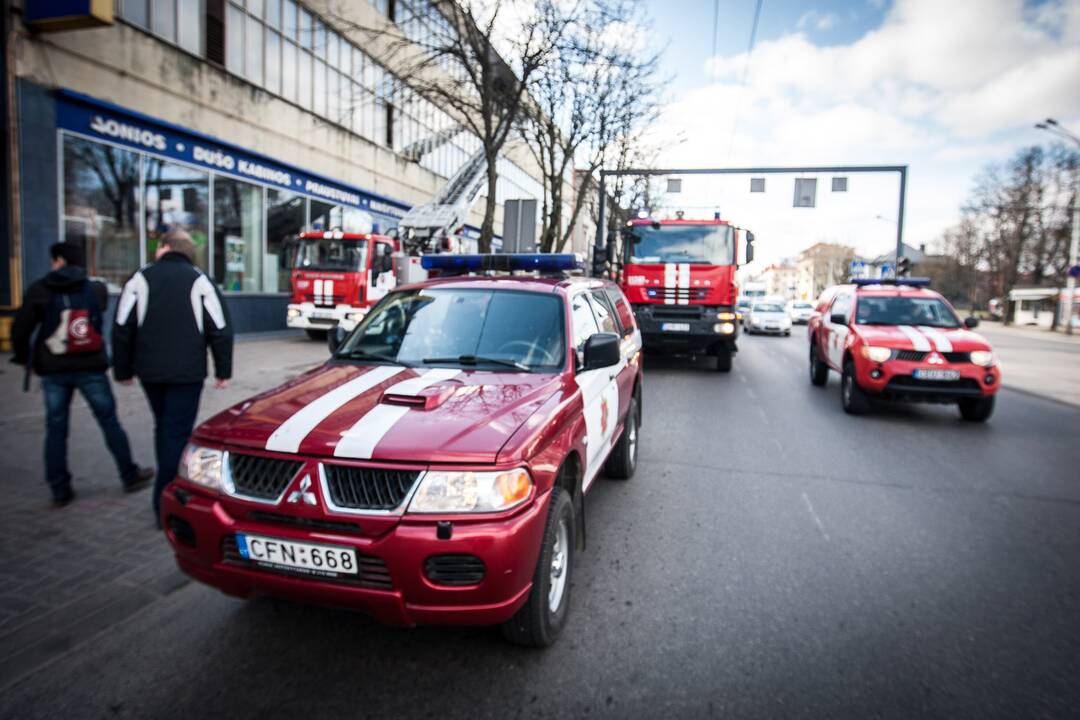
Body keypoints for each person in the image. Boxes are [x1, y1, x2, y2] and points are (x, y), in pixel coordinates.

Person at [10, 243, 153, 507]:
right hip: (90, 366)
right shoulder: (94, 289)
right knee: (109, 421)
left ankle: (59, 488)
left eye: (54, 260)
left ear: (60, 260)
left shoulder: (40, 289)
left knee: (56, 428)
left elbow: (21, 328)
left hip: (54, 369)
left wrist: (22, 357)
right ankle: (129, 474)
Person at [112, 228, 234, 525]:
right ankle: (166, 503)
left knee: (164, 428)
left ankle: (165, 500)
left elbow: (121, 327)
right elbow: (220, 328)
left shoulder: (140, 278)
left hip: (150, 372)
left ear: (165, 247)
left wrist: (123, 369)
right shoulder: (199, 279)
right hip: (187, 373)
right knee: (176, 433)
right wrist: (223, 370)